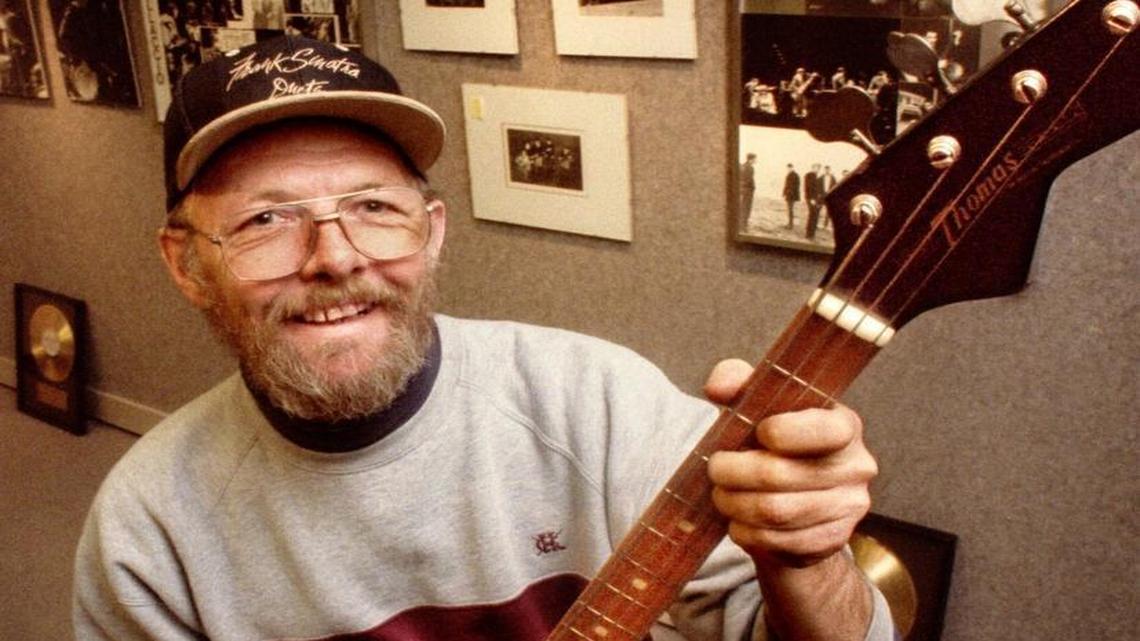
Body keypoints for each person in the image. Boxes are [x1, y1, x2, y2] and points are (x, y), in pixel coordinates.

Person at [73, 36, 893, 641]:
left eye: (373, 207)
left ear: (431, 233)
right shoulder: (151, 528)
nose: (336, 258)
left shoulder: (599, 405)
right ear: (186, 263)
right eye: (266, 220)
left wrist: (811, 559)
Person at [804, 163, 824, 240]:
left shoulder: (816, 176)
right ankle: (809, 234)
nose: (818, 169)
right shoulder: (809, 175)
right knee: (812, 216)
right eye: (816, 168)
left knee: (815, 216)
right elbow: (808, 188)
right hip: (811, 199)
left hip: (815, 199)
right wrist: (811, 199)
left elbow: (817, 189)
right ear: (812, 168)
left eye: (819, 168)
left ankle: (811, 234)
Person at [739, 153, 757, 229]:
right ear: (751, 159)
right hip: (748, 190)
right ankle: (743, 226)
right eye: (755, 159)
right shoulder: (750, 168)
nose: (756, 160)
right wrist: (752, 187)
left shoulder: (742, 166)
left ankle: (742, 224)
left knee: (743, 207)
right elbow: (748, 180)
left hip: (743, 190)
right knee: (746, 208)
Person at [782, 163, 800, 230]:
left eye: (790, 168)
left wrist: (790, 193)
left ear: (792, 167)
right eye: (788, 168)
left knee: (790, 210)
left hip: (792, 196)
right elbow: (786, 185)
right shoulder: (789, 174)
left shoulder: (795, 175)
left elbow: (796, 186)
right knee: (789, 210)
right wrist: (784, 193)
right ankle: (789, 224)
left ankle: (790, 225)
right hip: (789, 195)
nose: (789, 169)